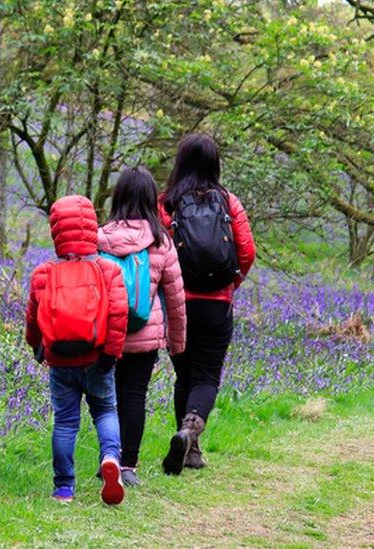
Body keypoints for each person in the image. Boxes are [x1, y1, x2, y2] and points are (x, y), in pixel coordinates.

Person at [158, 134, 256, 475]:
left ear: (180, 162)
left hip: (177, 304)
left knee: (183, 374)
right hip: (217, 304)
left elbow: (158, 254)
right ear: (215, 163)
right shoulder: (230, 202)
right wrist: (231, 284)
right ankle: (190, 434)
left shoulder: (165, 203)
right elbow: (247, 252)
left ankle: (189, 447)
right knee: (206, 377)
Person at [24, 195, 129, 505]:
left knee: (66, 422)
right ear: (92, 227)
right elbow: (119, 315)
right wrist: (111, 354)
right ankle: (110, 459)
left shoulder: (44, 273)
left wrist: (37, 348)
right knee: (106, 411)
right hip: (97, 359)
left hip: (60, 362)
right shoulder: (108, 270)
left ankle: (64, 488)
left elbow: (33, 319)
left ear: (56, 231)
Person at [97, 167, 187, 487]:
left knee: (107, 398)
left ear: (118, 196)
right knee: (134, 396)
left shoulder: (101, 237)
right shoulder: (161, 241)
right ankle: (127, 466)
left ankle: (107, 457)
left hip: (106, 334)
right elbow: (176, 298)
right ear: (151, 199)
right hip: (144, 335)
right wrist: (177, 343)